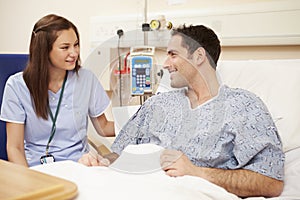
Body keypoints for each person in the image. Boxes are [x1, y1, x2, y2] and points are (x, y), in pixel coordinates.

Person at [78, 25, 284, 198]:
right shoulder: (156, 104)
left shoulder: (243, 106)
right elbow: (119, 154)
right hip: (130, 188)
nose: (165, 64)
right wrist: (102, 161)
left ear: (199, 56)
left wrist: (197, 172)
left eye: (173, 55)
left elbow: (271, 182)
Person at [0, 14, 114, 167]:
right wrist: (27, 183)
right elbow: (15, 148)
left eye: (76, 44)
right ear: (44, 50)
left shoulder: (86, 79)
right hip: (37, 169)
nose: (74, 53)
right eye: (65, 47)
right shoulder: (17, 86)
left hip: (80, 165)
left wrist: (139, 122)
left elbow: (104, 127)